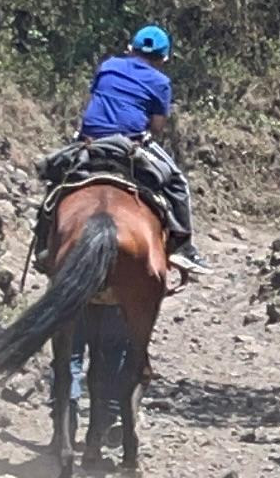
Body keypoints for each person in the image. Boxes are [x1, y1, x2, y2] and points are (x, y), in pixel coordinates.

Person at [45, 25, 201, 284]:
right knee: (177, 182)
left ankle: (43, 239)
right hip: (129, 143)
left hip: (90, 139)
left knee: (55, 175)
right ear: (163, 58)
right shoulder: (161, 82)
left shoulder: (108, 66)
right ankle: (183, 247)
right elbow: (157, 126)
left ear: (131, 49)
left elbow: (96, 96)